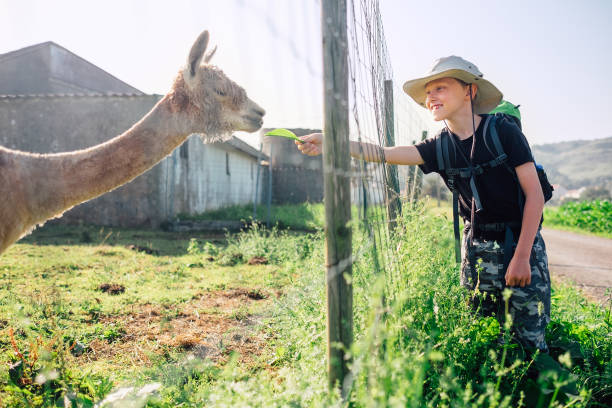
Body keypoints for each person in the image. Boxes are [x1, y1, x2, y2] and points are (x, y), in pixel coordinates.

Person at [296, 56, 551, 355]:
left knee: (529, 341)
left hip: (520, 243)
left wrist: (521, 257)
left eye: (440, 88)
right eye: (428, 92)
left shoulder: (503, 132)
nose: (431, 97)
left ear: (469, 91)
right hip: (477, 247)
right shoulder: (439, 146)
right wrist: (330, 141)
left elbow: (534, 196)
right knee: (485, 340)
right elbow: (382, 152)